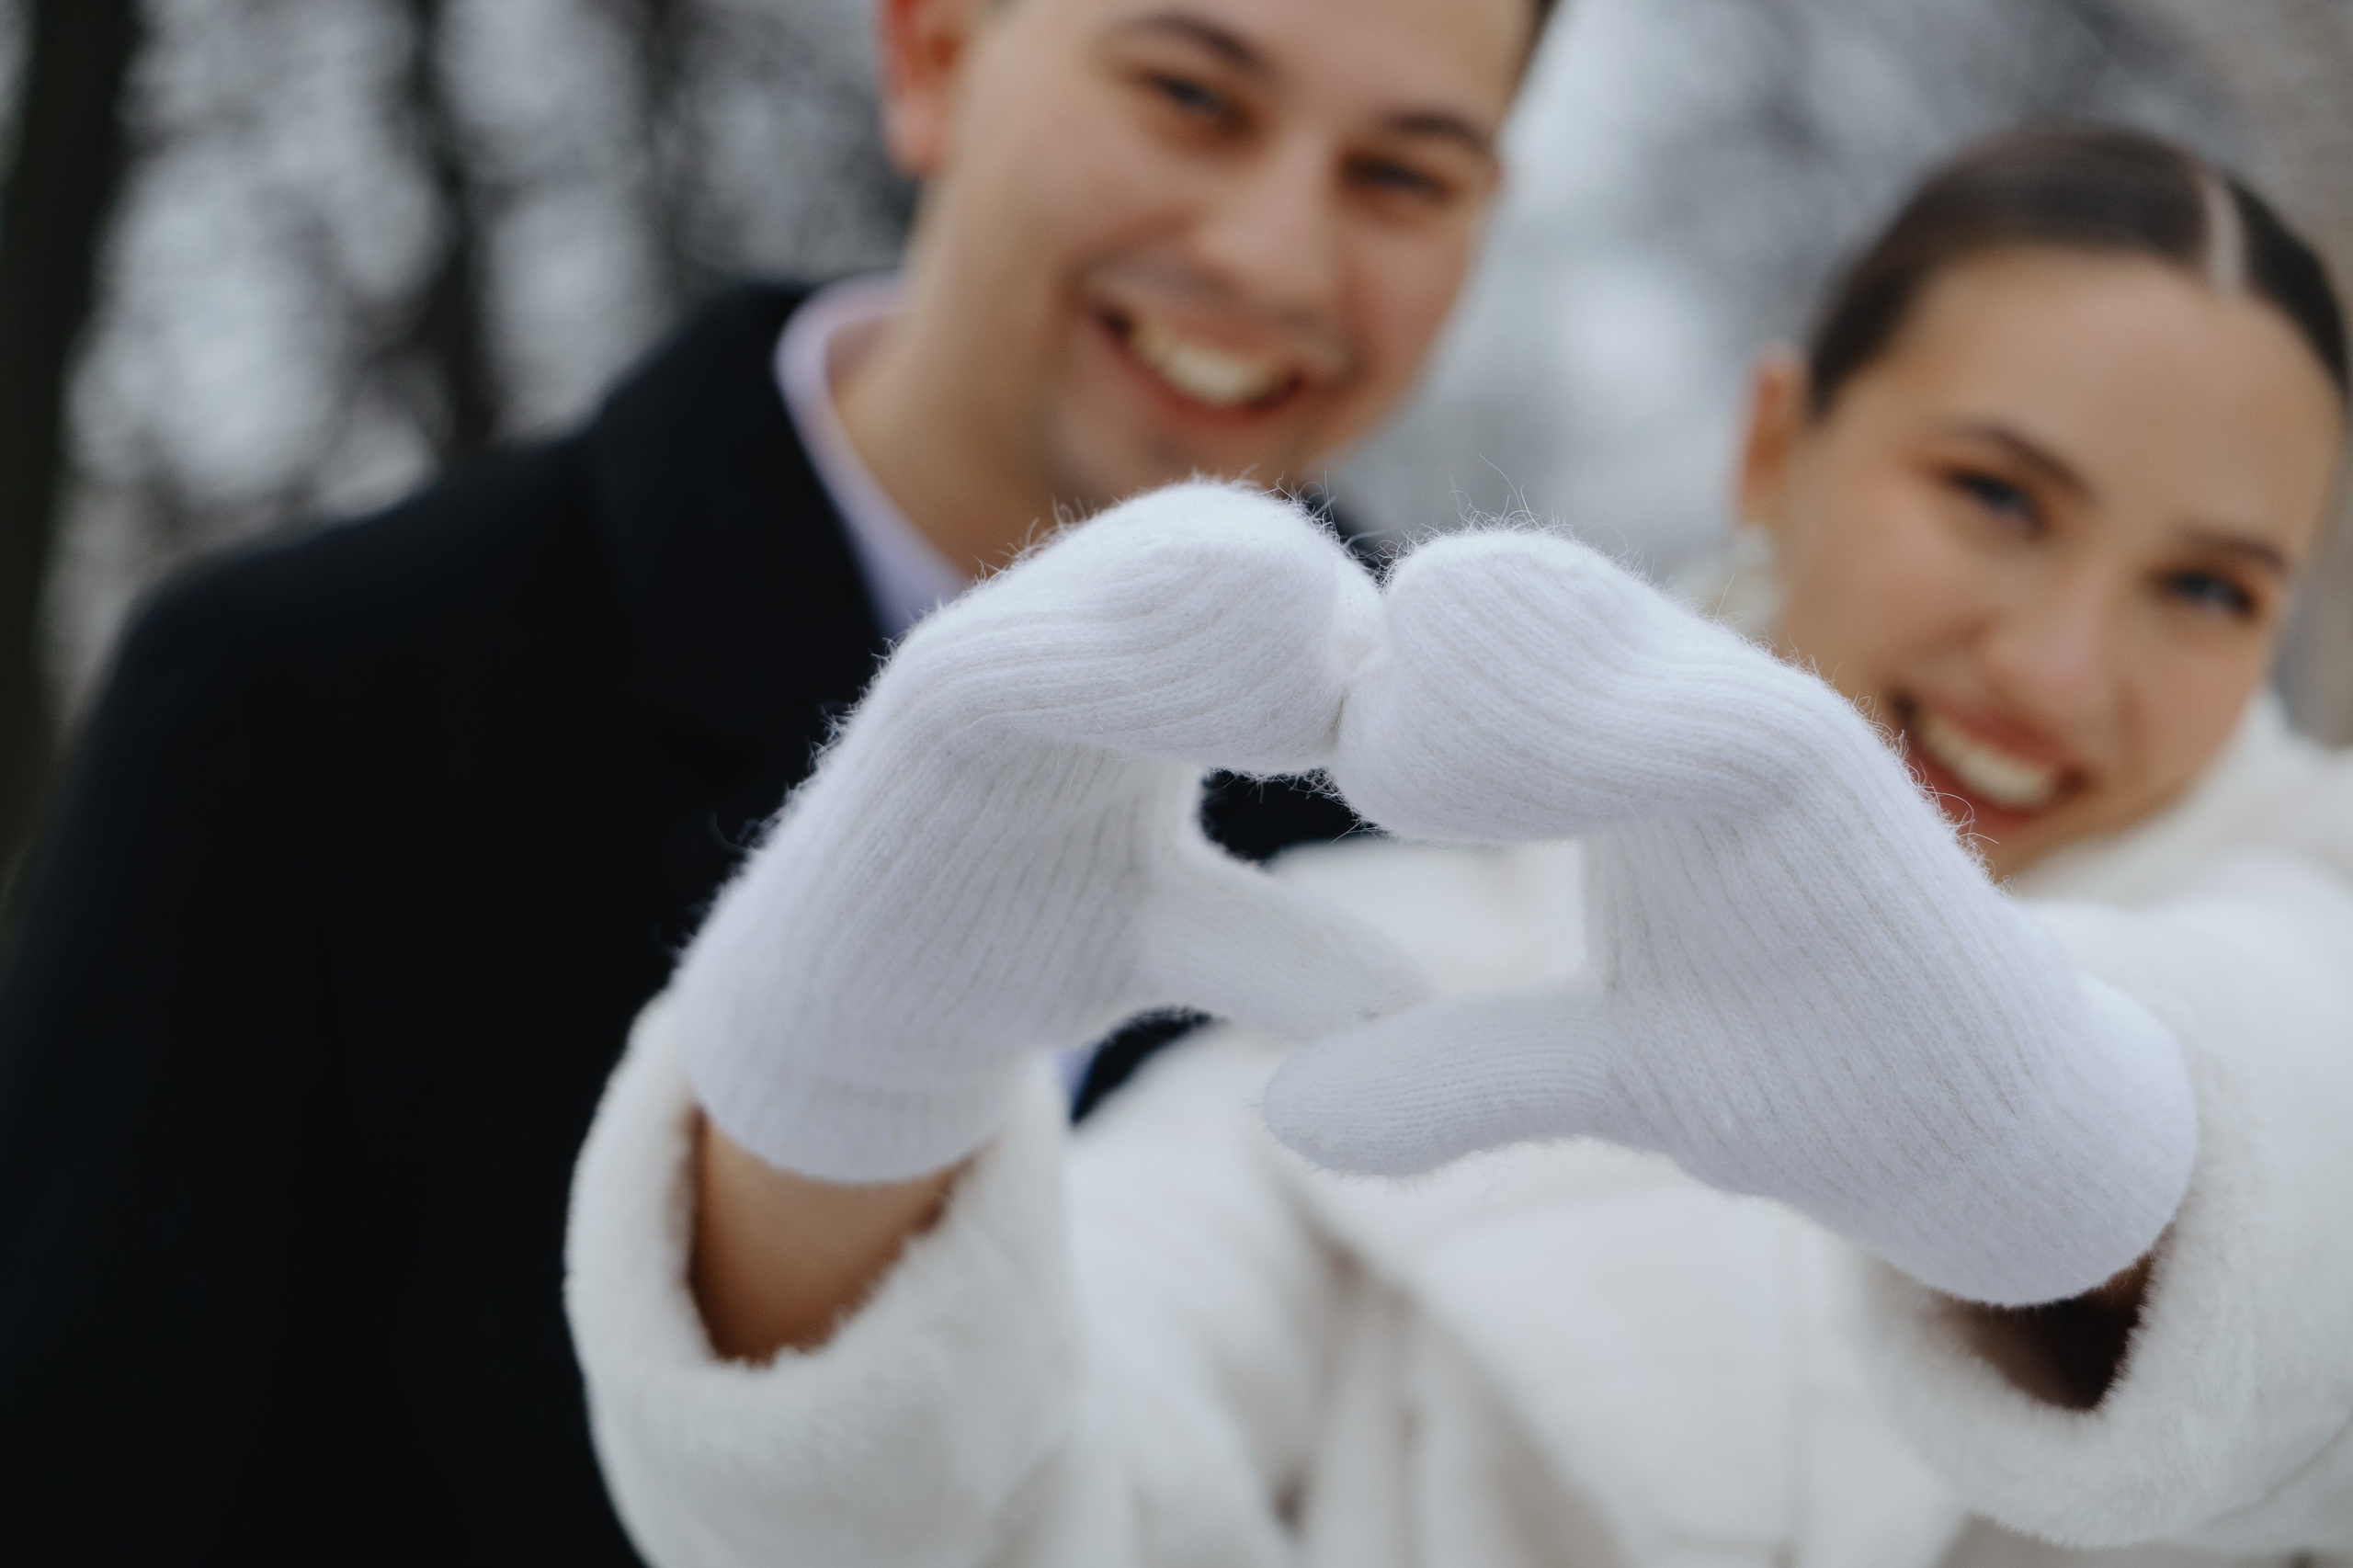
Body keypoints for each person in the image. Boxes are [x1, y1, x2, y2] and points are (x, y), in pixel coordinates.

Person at [565, 125, 2353, 1565]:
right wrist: (835, 1100)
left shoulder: (2307, 937)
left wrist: (2102, 1164)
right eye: (1993, 497)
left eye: (2204, 589)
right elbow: (975, 1520)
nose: (2057, 667)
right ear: (1773, 444)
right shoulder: (1370, 963)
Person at [0, 0, 1558, 1560]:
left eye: (1403, 178)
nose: (1277, 258)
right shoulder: (309, 702)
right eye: (1190, 98)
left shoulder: (1476, 846)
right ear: (931, 56)